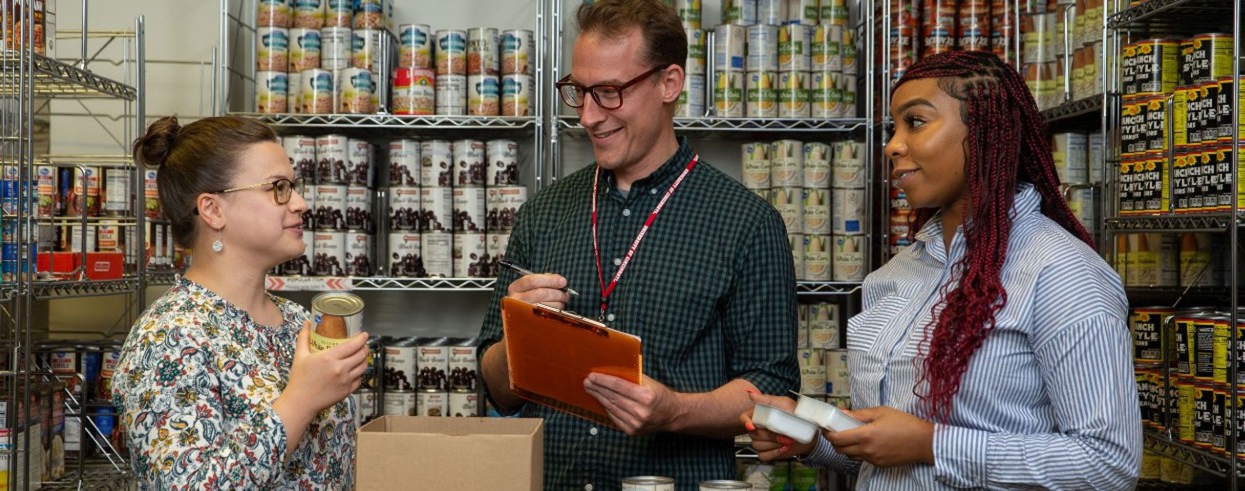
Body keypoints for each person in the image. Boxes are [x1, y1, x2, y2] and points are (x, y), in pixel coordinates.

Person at [741, 50, 1141, 489]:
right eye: (894, 127)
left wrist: (933, 444)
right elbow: (891, 457)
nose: (893, 144)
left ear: (986, 134)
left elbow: (1108, 464)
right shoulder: (898, 273)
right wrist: (812, 438)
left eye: (915, 122)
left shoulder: (1062, 273)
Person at [477, 0, 800, 488]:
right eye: (578, 92)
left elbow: (772, 390)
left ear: (669, 83)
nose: (588, 116)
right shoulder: (543, 213)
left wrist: (675, 411)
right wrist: (514, 340)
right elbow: (497, 390)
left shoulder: (747, 223)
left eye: (608, 93)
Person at [113, 116, 370, 489]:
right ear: (213, 210)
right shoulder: (167, 338)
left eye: (294, 187)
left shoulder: (298, 322)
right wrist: (300, 400)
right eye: (278, 188)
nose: (300, 203)